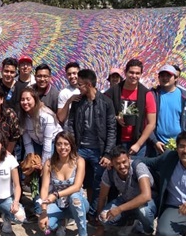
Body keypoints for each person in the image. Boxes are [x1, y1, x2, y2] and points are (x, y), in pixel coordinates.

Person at [67, 69, 117, 221]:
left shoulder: (106, 102)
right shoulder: (78, 102)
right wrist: (73, 149)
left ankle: (93, 214)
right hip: (80, 149)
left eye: (80, 85)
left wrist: (108, 154)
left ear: (88, 84)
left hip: (98, 151)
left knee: (97, 184)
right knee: (75, 180)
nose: (78, 88)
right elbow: (70, 125)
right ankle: (73, 212)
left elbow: (111, 129)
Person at [95, 145, 156, 236]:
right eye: (118, 163)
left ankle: (147, 231)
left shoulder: (138, 167)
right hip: (126, 199)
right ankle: (130, 222)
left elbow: (146, 196)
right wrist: (100, 223)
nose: (122, 166)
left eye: (124, 162)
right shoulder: (109, 172)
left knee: (144, 211)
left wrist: (119, 209)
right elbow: (102, 197)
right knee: (103, 217)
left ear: (129, 158)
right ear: (112, 163)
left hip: (147, 202)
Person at [38, 132, 89, 236]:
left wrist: (56, 195)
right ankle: (62, 223)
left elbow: (77, 186)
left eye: (66, 144)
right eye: (59, 144)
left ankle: (83, 233)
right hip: (58, 205)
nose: (63, 147)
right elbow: (44, 188)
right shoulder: (49, 163)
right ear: (55, 146)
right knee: (44, 226)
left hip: (78, 203)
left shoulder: (79, 161)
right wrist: (43, 210)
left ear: (71, 145)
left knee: (75, 198)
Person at [105, 59, 156, 158]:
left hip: (138, 144)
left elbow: (151, 123)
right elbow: (101, 112)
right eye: (131, 72)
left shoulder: (146, 94)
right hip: (117, 141)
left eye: (137, 73)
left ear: (141, 74)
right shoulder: (113, 91)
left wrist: (138, 144)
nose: (134, 76)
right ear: (125, 72)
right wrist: (115, 117)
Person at [149, 65, 186, 157]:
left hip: (179, 146)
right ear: (159, 77)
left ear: (175, 78)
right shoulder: (152, 95)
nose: (165, 78)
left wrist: (184, 141)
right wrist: (154, 141)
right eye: (162, 75)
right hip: (157, 145)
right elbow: (146, 121)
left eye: (168, 76)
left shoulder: (185, 97)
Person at [19, 87, 62, 164]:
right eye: (22, 99)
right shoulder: (22, 117)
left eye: (28, 99)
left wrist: (43, 164)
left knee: (47, 166)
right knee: (29, 165)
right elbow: (27, 142)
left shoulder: (45, 116)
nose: (25, 102)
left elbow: (47, 143)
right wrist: (31, 159)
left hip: (52, 142)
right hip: (37, 142)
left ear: (35, 100)